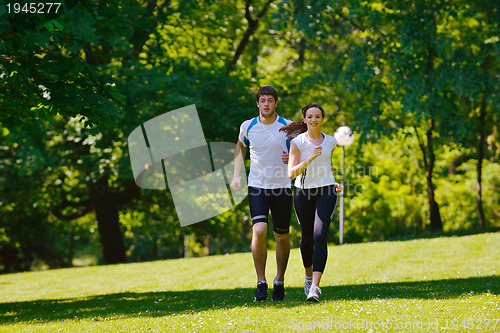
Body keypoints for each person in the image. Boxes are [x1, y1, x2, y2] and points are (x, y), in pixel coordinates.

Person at [231, 86, 292, 302]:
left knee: (282, 236)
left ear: (276, 103)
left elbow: (299, 151)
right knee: (259, 230)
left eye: (270, 100)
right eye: (262, 100)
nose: (266, 104)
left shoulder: (287, 126)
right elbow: (240, 148)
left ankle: (279, 281)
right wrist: (236, 175)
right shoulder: (248, 126)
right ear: (257, 103)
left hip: (282, 186)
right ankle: (261, 282)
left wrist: (292, 160)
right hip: (257, 186)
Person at [280, 103, 341, 302]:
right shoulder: (298, 142)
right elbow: (291, 173)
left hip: (326, 190)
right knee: (306, 238)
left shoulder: (331, 141)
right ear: (304, 120)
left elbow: (327, 165)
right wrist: (309, 158)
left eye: (317, 117)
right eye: (310, 117)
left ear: (322, 119)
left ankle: (315, 286)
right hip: (303, 193)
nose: (314, 120)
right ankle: (308, 277)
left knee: (319, 236)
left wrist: (334, 180)